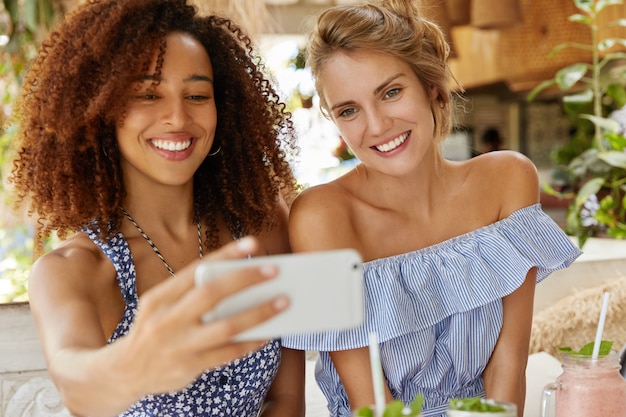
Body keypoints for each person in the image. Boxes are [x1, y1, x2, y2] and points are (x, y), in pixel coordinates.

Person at [281, 1, 582, 416]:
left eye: (390, 92)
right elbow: (369, 402)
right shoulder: (322, 216)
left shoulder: (507, 180)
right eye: (349, 111)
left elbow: (507, 368)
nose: (376, 125)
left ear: (432, 88)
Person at [8, 0, 305, 416]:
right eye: (148, 94)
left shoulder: (261, 223)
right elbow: (78, 387)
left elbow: (285, 399)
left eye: (197, 94)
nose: (177, 117)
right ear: (101, 110)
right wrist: (133, 364)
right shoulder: (74, 269)